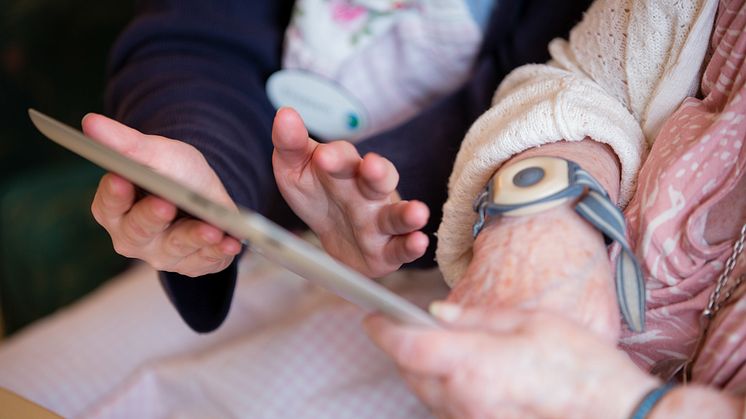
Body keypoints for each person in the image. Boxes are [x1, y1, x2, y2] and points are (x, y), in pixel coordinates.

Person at [84, 0, 593, 333]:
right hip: (254, 243)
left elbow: (547, 104)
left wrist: (381, 204)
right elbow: (192, 38)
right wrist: (206, 166)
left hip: (461, 280)